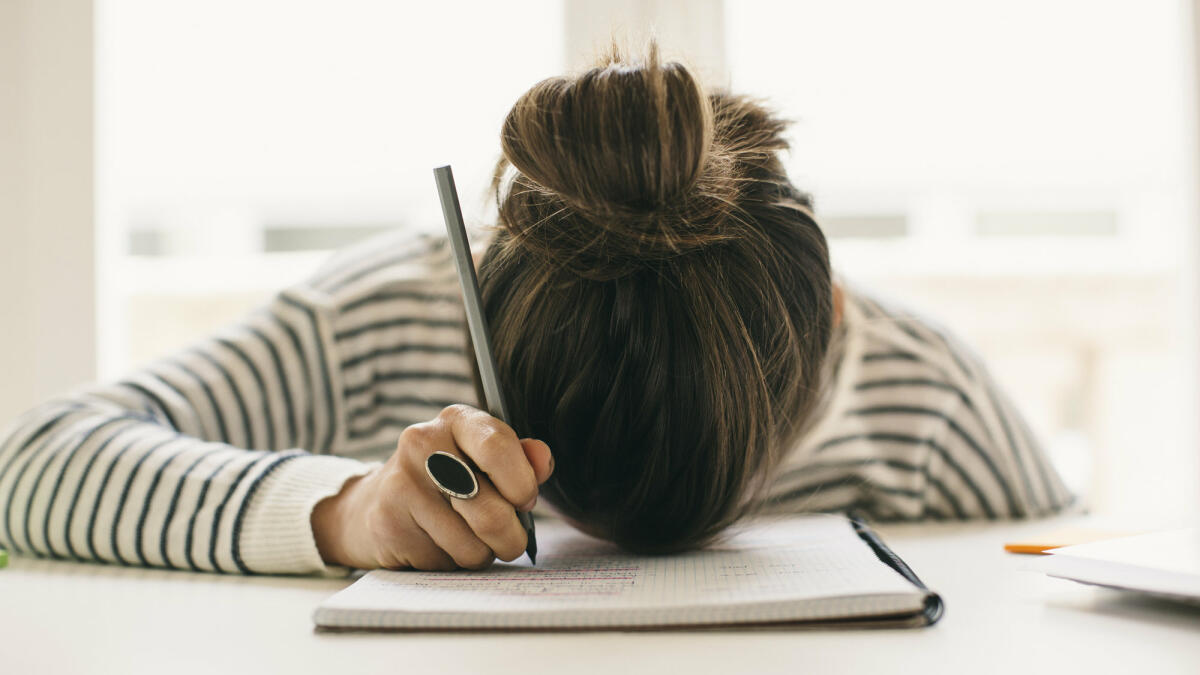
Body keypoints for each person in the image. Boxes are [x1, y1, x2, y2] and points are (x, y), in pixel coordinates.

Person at [0, 45, 1072, 576]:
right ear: (478, 325)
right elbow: (34, 462)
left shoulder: (920, 404)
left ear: (827, 330)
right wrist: (344, 514)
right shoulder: (385, 315)